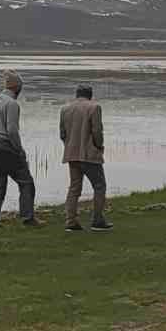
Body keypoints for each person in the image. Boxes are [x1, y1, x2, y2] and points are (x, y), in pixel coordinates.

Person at [0, 69, 41, 226]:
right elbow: (12, 130)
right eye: (21, 87)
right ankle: (28, 217)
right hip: (6, 146)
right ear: (17, 87)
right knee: (26, 182)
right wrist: (19, 149)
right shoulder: (12, 104)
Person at [59, 83, 112, 232]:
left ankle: (71, 221)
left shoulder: (65, 109)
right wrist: (99, 146)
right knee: (99, 186)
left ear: (77, 94)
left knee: (74, 188)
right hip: (89, 154)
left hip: (71, 154)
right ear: (90, 95)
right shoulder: (94, 107)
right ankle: (97, 220)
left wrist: (69, 146)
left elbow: (62, 134)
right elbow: (97, 131)